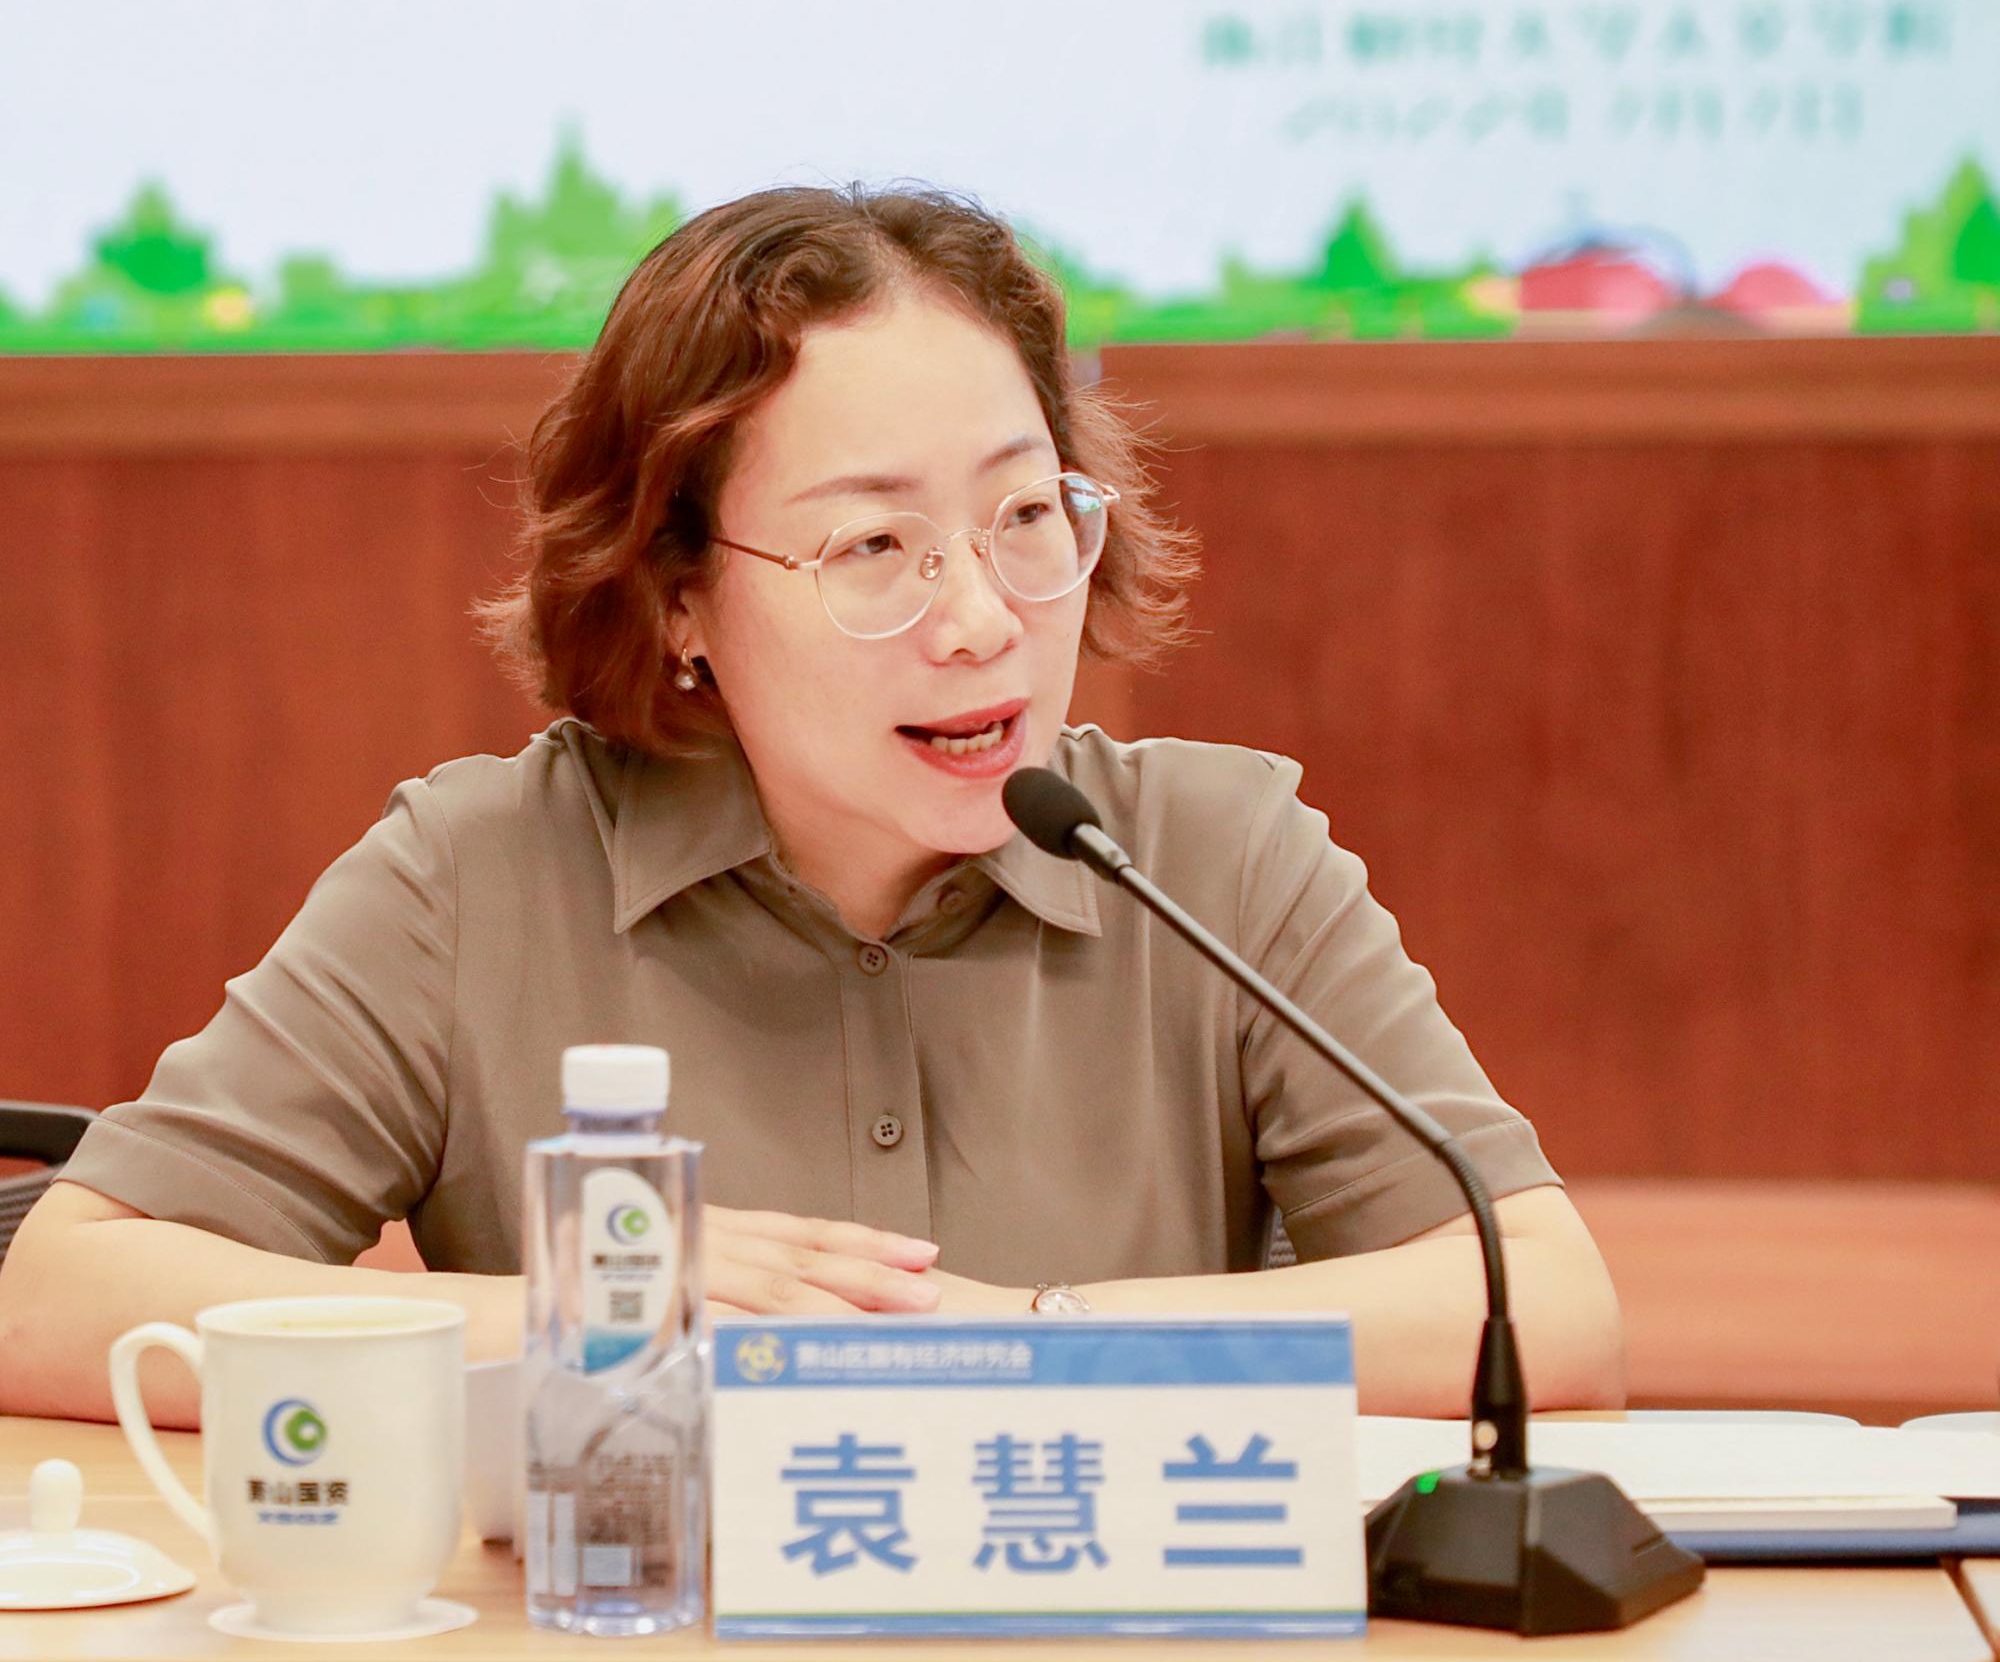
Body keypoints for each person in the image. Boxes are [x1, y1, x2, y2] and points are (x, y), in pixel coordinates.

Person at [0, 186, 1622, 1427]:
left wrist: (1035, 1341)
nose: (980, 617)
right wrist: (597, 1312)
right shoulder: (477, 878)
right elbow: (57, 1296)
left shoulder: (1216, 857)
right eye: (873, 547)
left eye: (1024, 516)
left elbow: (1546, 1309)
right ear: (679, 594)